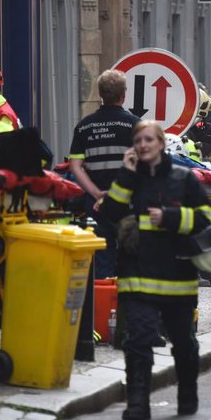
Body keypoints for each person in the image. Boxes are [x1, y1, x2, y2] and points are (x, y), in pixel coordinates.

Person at [99, 120, 211, 420]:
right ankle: (138, 403)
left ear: (161, 143)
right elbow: (109, 212)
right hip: (137, 275)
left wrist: (171, 217)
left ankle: (187, 393)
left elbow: (207, 219)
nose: (143, 145)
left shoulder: (184, 178)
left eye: (149, 139)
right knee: (137, 341)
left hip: (177, 276)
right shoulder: (130, 179)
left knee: (184, 342)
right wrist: (125, 173)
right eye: (138, 140)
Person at [68, 69, 140, 279]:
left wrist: (96, 193)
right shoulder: (134, 125)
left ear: (101, 93)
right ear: (123, 95)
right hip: (128, 202)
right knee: (131, 257)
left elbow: (75, 166)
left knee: (101, 258)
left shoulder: (84, 127)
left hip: (97, 203)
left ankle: (101, 308)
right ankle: (125, 308)